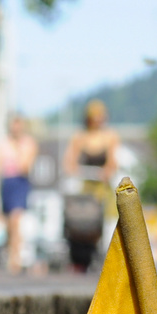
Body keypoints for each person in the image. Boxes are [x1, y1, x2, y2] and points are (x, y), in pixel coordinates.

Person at [62, 99, 121, 271]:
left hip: (102, 186)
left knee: (107, 218)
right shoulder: (80, 137)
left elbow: (112, 161)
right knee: (81, 218)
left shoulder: (110, 136)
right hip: (86, 186)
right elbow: (69, 160)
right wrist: (74, 170)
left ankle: (106, 254)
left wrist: (106, 172)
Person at [0, 113, 38, 274]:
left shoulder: (28, 143)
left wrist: (18, 149)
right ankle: (10, 253)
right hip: (6, 182)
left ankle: (15, 259)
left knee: (15, 219)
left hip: (19, 181)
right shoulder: (3, 142)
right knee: (7, 222)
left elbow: (25, 167)